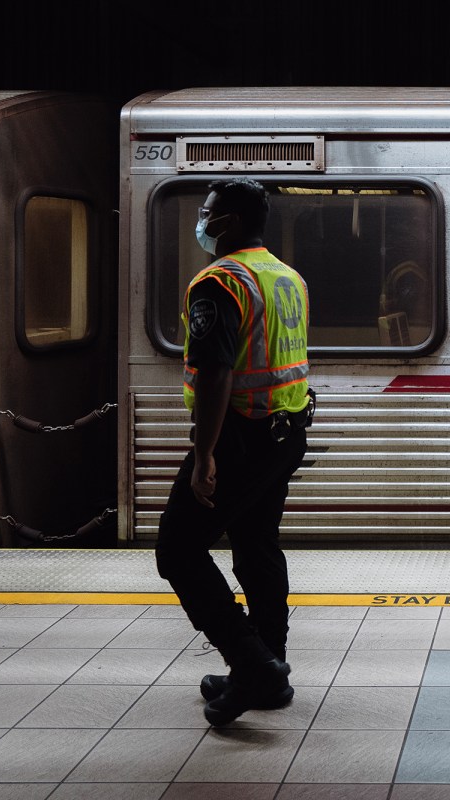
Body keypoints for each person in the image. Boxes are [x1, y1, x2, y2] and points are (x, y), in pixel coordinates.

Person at [155, 178, 312, 726]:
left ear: (231, 223)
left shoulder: (219, 281)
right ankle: (269, 663)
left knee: (177, 550)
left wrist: (203, 457)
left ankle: (253, 664)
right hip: (286, 431)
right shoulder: (286, 276)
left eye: (210, 213)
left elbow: (218, 372)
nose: (203, 220)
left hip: (240, 436)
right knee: (256, 546)